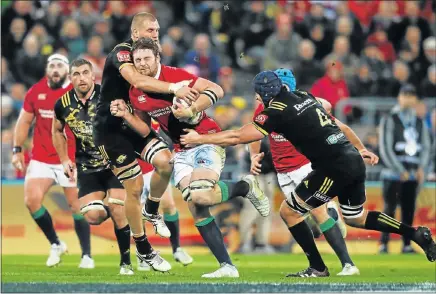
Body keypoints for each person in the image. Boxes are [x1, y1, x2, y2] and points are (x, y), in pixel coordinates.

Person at [181, 71, 436, 277]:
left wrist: (199, 138)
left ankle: (318, 266)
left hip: (331, 167)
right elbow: (339, 124)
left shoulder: (276, 111)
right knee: (356, 217)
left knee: (289, 212)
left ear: (261, 95)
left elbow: (238, 136)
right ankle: (415, 233)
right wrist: (360, 148)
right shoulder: (304, 95)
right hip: (351, 160)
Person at [111, 37, 269, 278]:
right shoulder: (136, 93)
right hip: (181, 149)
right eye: (138, 60)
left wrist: (192, 110)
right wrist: (126, 115)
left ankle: (244, 186)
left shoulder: (174, 75)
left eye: (147, 58)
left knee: (200, 195)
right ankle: (227, 266)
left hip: (205, 139)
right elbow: (145, 130)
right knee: (197, 206)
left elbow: (217, 89)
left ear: (158, 58)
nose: (142, 64)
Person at [92, 12, 197, 272]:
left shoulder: (149, 57)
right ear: (136, 33)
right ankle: (143, 248)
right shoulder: (122, 53)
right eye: (151, 30)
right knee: (135, 188)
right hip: (110, 131)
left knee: (166, 162)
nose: (156, 34)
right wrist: (175, 89)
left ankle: (151, 209)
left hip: (134, 124)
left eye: (158, 29)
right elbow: (137, 81)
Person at [249, 68, 366, 275]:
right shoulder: (265, 109)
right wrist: (253, 155)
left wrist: (361, 148)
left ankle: (347, 264)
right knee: (297, 216)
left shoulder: (301, 104)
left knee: (316, 212)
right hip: (282, 171)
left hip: (304, 166)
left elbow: (335, 118)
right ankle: (328, 226)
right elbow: (253, 134)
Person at [52, 58, 134, 275]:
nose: (81, 78)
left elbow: (129, 122)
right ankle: (125, 212)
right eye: (76, 74)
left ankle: (126, 262)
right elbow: (57, 131)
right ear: (70, 78)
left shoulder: (108, 96)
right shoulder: (62, 104)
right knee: (93, 216)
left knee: (117, 207)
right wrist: (63, 159)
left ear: (93, 75)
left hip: (115, 163)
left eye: (85, 73)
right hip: (87, 166)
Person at [11, 54, 94, 268]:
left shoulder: (76, 91)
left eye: (60, 65)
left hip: (71, 157)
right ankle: (56, 243)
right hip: (41, 157)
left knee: (77, 207)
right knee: (31, 201)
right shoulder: (35, 91)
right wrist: (17, 149)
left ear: (67, 70)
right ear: (47, 69)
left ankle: (86, 255)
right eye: (52, 65)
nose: (56, 69)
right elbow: (24, 122)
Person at [378, 84, 431, 254]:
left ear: (415, 99)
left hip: (413, 172)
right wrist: (399, 168)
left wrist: (422, 168)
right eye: (405, 95)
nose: (408, 98)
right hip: (393, 173)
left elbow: (426, 147)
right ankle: (384, 243)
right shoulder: (390, 118)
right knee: (389, 209)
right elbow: (385, 147)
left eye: (411, 95)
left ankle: (406, 244)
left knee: (408, 210)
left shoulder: (419, 121)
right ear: (399, 97)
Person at [136, 121, 193, 271]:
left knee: (168, 204)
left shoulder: (153, 110)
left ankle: (177, 249)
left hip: (154, 167)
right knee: (138, 211)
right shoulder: (128, 111)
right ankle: (143, 253)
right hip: (133, 168)